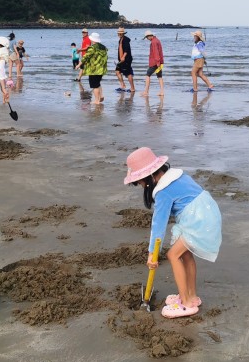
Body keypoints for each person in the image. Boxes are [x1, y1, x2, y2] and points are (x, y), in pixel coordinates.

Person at [123, 147, 222, 319]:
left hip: (197, 220)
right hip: (207, 213)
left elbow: (158, 225)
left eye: (139, 182)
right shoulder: (178, 176)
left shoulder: (163, 192)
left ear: (149, 177)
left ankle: (184, 303)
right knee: (186, 255)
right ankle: (191, 296)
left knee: (173, 255)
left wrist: (152, 253)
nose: (140, 185)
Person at [81, 32, 108, 105]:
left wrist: (79, 64)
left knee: (94, 85)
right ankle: (100, 97)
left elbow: (86, 57)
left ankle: (97, 101)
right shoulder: (103, 47)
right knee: (97, 83)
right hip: (102, 69)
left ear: (92, 40)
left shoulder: (92, 48)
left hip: (94, 69)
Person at [142, 30, 164, 98]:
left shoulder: (154, 42)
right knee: (159, 76)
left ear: (149, 36)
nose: (147, 39)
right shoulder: (157, 40)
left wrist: (157, 63)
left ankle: (146, 91)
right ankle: (162, 91)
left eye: (147, 37)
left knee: (147, 75)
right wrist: (159, 63)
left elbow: (156, 53)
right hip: (160, 62)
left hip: (155, 62)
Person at [115, 27, 135, 93]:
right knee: (117, 71)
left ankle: (132, 88)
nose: (119, 34)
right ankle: (123, 85)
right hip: (121, 60)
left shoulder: (125, 40)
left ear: (123, 33)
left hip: (126, 60)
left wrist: (123, 57)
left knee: (128, 73)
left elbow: (126, 49)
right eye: (119, 33)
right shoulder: (120, 40)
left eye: (121, 33)